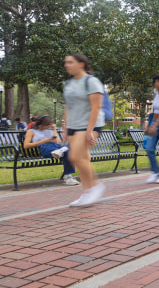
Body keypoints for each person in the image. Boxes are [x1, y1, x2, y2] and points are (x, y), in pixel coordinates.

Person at [63, 54, 106, 206]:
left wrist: (90, 130)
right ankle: (86, 192)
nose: (67, 65)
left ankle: (95, 186)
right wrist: (65, 128)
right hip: (74, 126)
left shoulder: (91, 81)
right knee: (83, 159)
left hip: (89, 124)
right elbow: (68, 106)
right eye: (66, 62)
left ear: (81, 64)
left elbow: (96, 107)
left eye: (70, 62)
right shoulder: (69, 83)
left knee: (75, 156)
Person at [23, 115, 79, 186]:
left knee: (71, 147)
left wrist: (54, 129)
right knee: (68, 152)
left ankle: (62, 152)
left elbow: (57, 142)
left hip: (55, 147)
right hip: (44, 147)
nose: (47, 127)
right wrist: (42, 141)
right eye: (45, 125)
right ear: (39, 124)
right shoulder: (31, 131)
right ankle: (68, 177)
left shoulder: (49, 131)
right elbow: (26, 145)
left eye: (48, 125)